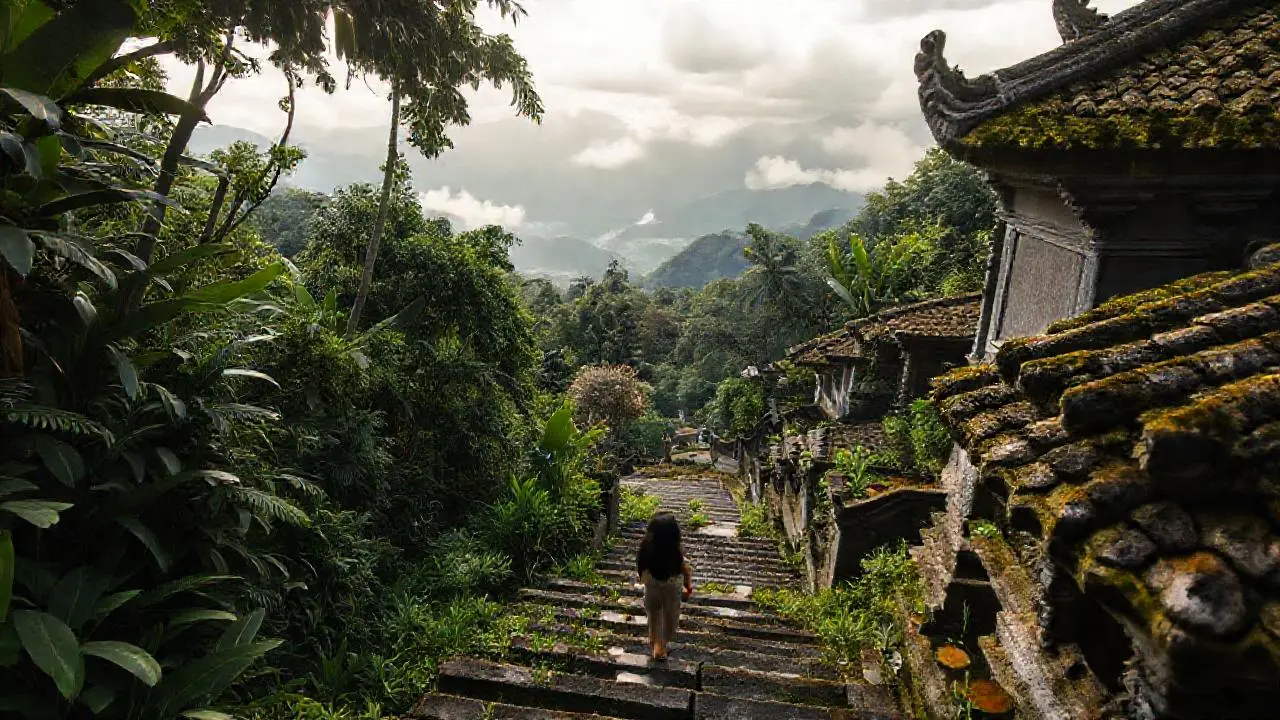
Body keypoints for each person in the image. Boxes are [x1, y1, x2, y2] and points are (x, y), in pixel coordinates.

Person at [635, 512, 694, 660]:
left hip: (652, 588)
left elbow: (640, 568)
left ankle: (657, 645)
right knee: (670, 617)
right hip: (672, 591)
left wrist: (643, 578)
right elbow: (685, 571)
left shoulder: (646, 549)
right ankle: (661, 645)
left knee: (654, 617)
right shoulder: (675, 553)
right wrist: (688, 587)